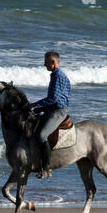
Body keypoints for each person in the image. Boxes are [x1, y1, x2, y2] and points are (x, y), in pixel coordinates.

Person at [29, 51, 71, 179]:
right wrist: (38, 108)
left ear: (53, 63)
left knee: (41, 135)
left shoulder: (58, 76)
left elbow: (53, 99)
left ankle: (46, 169)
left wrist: (35, 105)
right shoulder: (55, 75)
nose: (44, 64)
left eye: (46, 62)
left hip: (58, 111)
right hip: (51, 109)